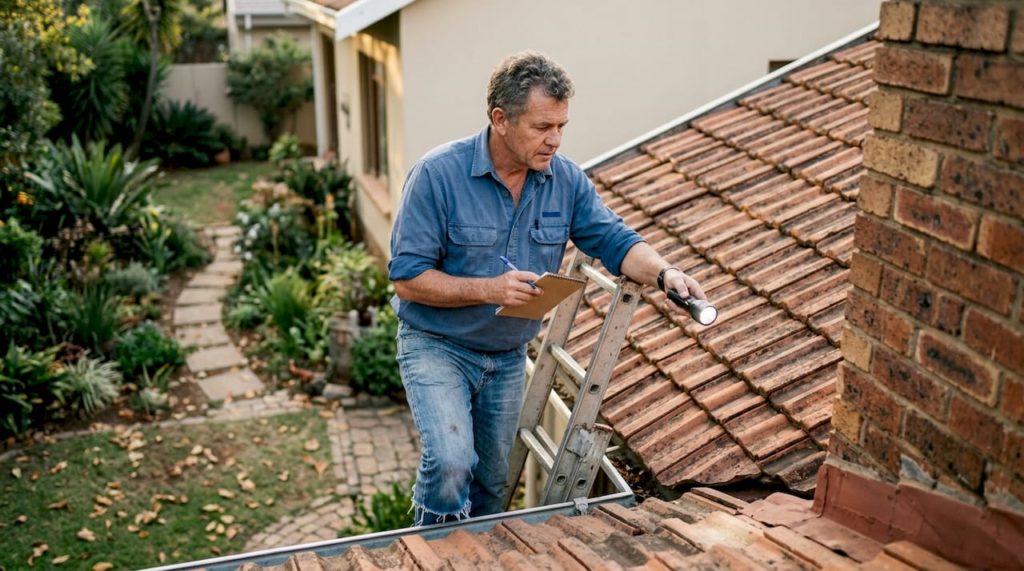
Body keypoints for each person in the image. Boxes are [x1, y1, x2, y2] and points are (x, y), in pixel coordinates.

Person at [388, 52, 708, 525]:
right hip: (437, 346)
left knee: (493, 487)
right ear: (500, 119)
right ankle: (430, 551)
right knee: (452, 462)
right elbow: (407, 278)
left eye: (561, 126)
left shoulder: (566, 181)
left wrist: (664, 273)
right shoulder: (437, 175)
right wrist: (489, 290)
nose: (555, 140)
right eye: (542, 127)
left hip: (508, 357)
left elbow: (615, 240)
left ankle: (480, 556)